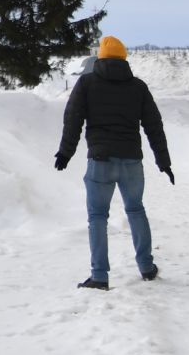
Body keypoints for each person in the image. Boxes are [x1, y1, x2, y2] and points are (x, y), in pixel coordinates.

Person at [55, 35, 173, 290]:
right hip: (132, 161)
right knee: (136, 210)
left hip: (101, 161)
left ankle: (99, 276)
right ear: (123, 58)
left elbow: (73, 119)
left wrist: (65, 152)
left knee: (97, 217)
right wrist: (163, 161)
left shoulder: (86, 83)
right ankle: (146, 267)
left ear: (100, 57)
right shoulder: (138, 87)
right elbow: (154, 125)